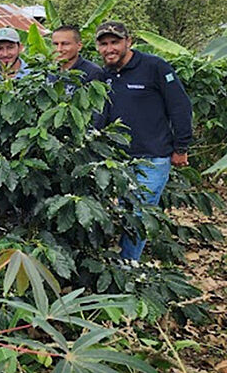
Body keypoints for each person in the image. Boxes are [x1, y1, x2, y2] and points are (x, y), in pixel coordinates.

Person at [95, 20, 193, 260]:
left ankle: (128, 265)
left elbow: (180, 107)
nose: (110, 49)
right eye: (104, 44)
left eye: (115, 42)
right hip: (117, 159)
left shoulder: (155, 67)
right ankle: (118, 259)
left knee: (138, 213)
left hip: (153, 156)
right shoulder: (104, 74)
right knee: (123, 211)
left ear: (129, 42)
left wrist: (181, 147)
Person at [52, 24, 103, 88]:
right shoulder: (49, 70)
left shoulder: (92, 72)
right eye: (55, 44)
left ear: (79, 46)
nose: (59, 49)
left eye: (65, 44)